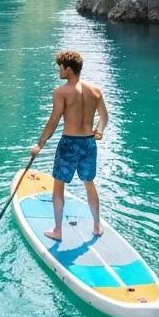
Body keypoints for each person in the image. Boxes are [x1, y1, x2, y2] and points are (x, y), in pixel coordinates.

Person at [30, 49, 109, 240]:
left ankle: (57, 231)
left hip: (69, 144)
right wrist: (99, 130)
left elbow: (54, 120)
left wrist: (40, 144)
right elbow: (104, 117)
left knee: (58, 187)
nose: (59, 70)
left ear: (69, 69)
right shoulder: (95, 91)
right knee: (89, 183)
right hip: (89, 143)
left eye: (60, 67)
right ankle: (97, 225)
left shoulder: (61, 92)